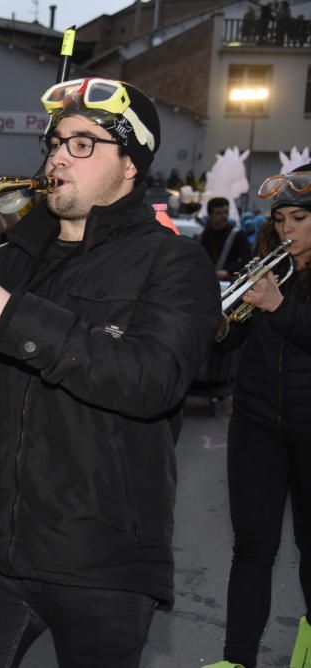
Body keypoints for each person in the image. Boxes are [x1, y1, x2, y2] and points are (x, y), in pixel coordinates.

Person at [0, 78, 221, 666]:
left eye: (84, 143)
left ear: (130, 165)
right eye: (57, 141)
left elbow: (150, 378)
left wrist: (11, 316)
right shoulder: (14, 257)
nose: (59, 155)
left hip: (100, 559)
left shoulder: (175, 262)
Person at [203, 165, 311, 668]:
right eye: (282, 218)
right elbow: (235, 336)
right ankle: (235, 659)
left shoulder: (280, 286)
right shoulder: (267, 265)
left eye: (300, 218)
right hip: (256, 422)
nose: (289, 229)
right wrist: (220, 321)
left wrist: (278, 304)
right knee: (251, 547)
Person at [199, 196, 252, 280]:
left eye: (226, 212)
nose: (224, 216)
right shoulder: (203, 235)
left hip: (228, 282)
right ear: (210, 215)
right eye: (218, 213)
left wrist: (228, 271)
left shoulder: (237, 234)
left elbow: (247, 259)